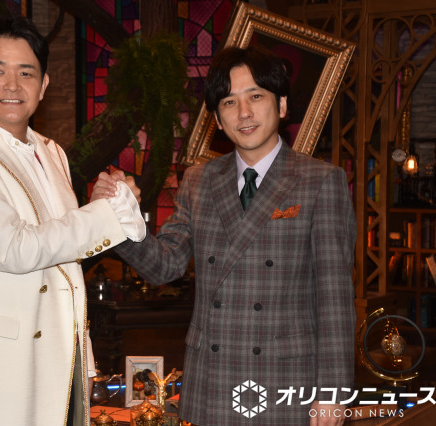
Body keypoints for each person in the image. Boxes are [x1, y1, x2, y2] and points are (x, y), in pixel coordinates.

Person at [94, 46, 356, 425]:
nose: (244, 112)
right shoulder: (199, 180)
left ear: (282, 105)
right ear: (217, 119)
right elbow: (165, 266)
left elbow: (334, 299)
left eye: (256, 96)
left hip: (285, 378)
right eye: (229, 102)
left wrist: (332, 394)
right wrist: (118, 217)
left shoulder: (320, 180)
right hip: (213, 379)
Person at [0, 16, 145, 426]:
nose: (12, 85)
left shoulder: (52, 151)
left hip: (61, 362)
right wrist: (107, 214)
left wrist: (96, 206)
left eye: (26, 73)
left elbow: (62, 254)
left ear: (43, 85)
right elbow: (16, 249)